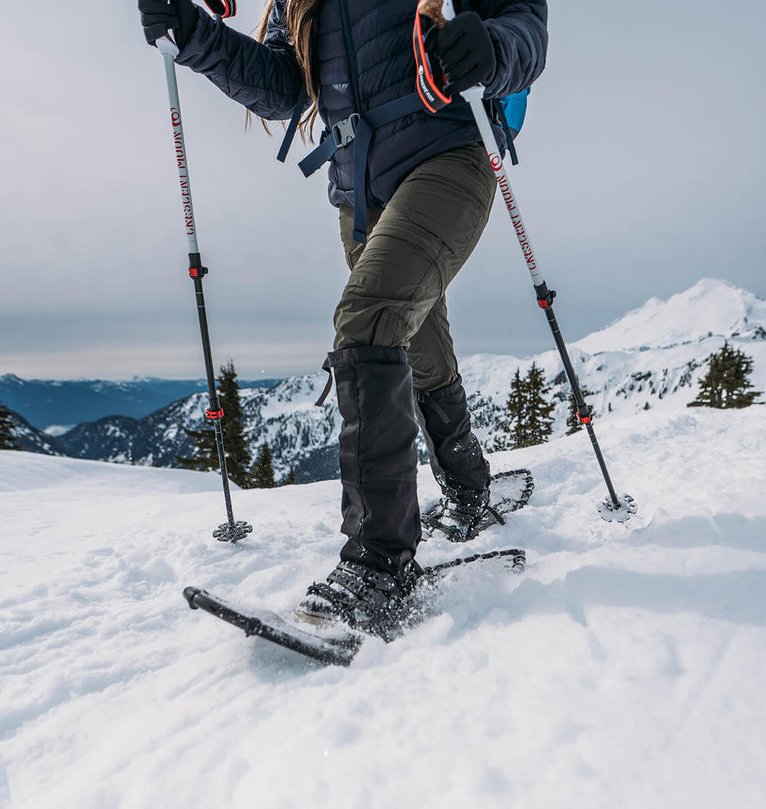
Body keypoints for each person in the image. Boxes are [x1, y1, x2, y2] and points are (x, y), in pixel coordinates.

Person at [138, 0, 547, 636]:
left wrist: (493, 48)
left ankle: (379, 568)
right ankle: (470, 489)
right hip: (358, 188)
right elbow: (282, 87)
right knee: (416, 344)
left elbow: (525, 25)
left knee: (367, 321)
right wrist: (192, 34)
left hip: (449, 159)